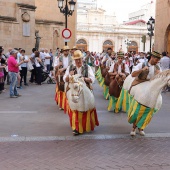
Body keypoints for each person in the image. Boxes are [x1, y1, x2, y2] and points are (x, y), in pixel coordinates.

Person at [63, 50, 99, 135]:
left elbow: (92, 78)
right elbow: (65, 78)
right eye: (76, 59)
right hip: (74, 88)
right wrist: (69, 76)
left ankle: (87, 124)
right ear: (74, 60)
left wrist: (85, 79)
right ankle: (76, 127)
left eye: (79, 59)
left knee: (90, 101)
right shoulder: (70, 67)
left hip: (85, 87)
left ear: (82, 59)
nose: (78, 61)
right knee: (73, 104)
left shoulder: (87, 67)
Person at [130, 51, 162, 136]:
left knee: (149, 110)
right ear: (151, 57)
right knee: (139, 109)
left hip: (151, 86)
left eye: (158, 60)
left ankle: (141, 127)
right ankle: (133, 128)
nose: (157, 61)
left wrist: (159, 75)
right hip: (140, 83)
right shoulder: (141, 64)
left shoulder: (158, 67)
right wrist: (142, 70)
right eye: (156, 59)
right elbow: (133, 74)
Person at [55, 46, 72, 110]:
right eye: (65, 50)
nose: (66, 51)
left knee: (69, 89)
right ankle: (62, 104)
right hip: (61, 74)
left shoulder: (71, 58)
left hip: (69, 74)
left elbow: (71, 66)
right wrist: (59, 65)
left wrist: (64, 69)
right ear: (63, 51)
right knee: (61, 89)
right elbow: (55, 67)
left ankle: (69, 104)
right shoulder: (59, 58)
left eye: (67, 50)